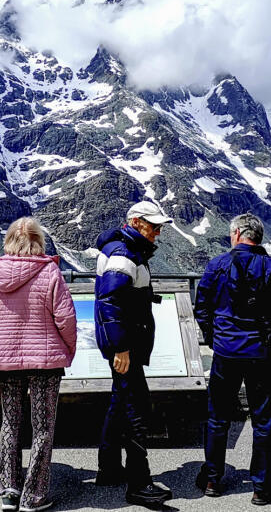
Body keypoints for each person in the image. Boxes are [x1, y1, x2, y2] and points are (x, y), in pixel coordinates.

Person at [0, 217, 77, 512]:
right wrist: (67, 350)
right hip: (45, 361)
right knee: (43, 427)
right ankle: (34, 495)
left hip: (5, 360)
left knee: (10, 421)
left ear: (8, 242)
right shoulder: (50, 272)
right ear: (39, 242)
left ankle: (8, 489)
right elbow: (65, 319)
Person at [193, 213, 271, 505]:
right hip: (262, 354)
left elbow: (202, 308)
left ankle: (213, 479)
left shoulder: (217, 265)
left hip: (226, 352)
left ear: (238, 234)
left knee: (217, 417)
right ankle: (262, 486)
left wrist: (215, 339)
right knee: (263, 420)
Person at [94, 201, 174, 508]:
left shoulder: (126, 249)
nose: (157, 232)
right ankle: (139, 484)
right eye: (153, 226)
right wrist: (122, 347)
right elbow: (111, 300)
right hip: (125, 344)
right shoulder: (124, 253)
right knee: (135, 407)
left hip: (126, 340)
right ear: (136, 222)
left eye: (159, 227)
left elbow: (119, 295)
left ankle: (110, 468)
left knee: (120, 400)